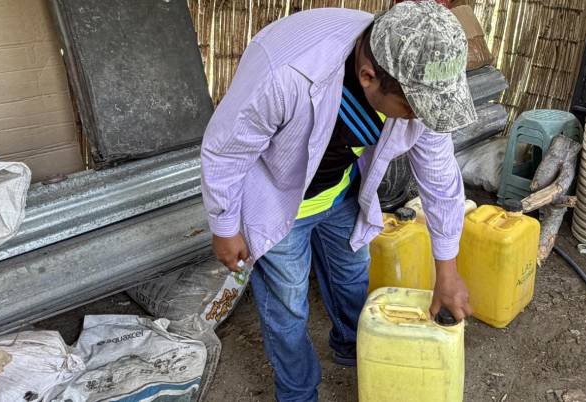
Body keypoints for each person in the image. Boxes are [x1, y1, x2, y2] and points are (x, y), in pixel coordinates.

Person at [201, 2, 475, 400]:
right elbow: (227, 151)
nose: (419, 120)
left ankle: (357, 349)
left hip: (340, 190)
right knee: (289, 306)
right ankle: (298, 393)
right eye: (413, 111)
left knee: (352, 274)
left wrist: (446, 272)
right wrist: (224, 226)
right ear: (367, 77)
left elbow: (440, 178)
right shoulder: (286, 73)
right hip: (278, 201)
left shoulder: (412, 84)